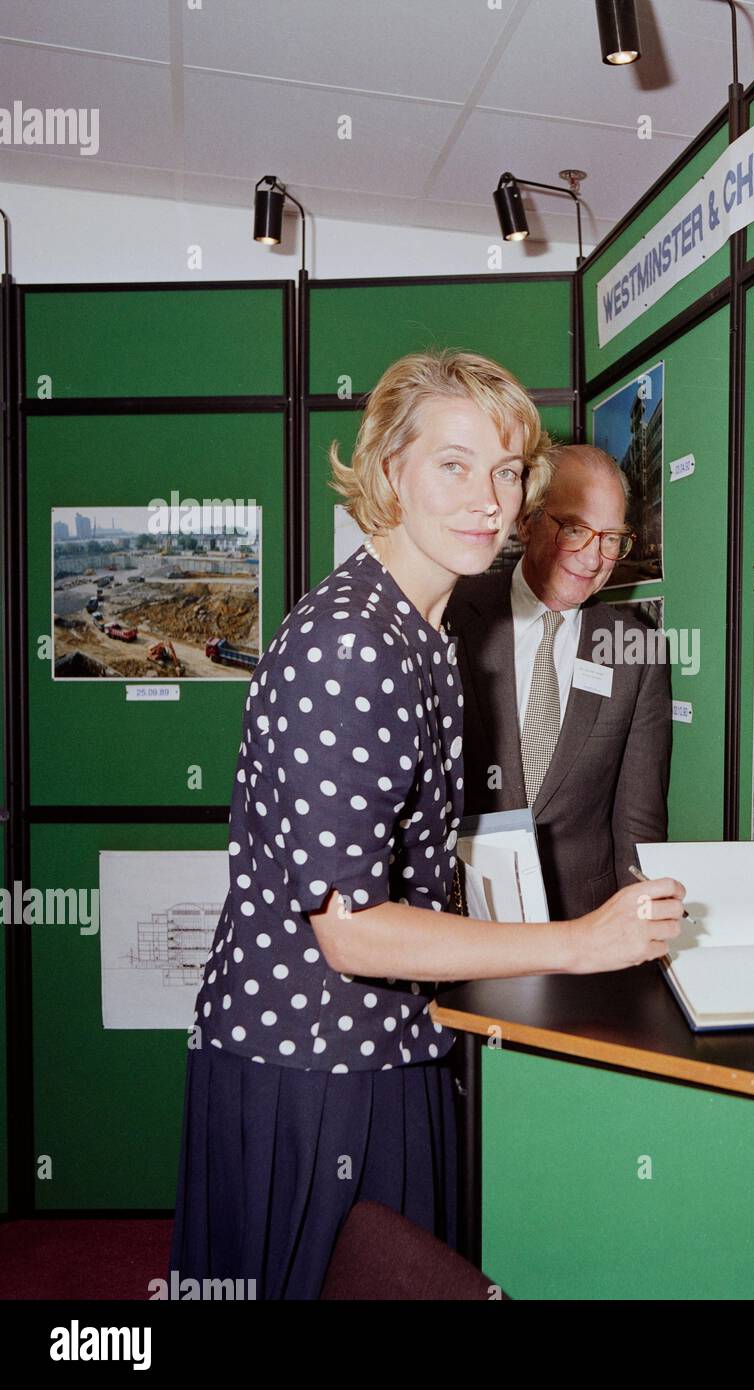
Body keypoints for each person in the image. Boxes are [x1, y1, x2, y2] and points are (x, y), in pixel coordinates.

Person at [169, 351, 685, 1299]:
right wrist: (580, 941)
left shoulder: (417, 626)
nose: (485, 499)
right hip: (319, 1067)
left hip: (380, 1043)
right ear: (387, 471)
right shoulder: (355, 641)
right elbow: (352, 931)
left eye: (502, 471)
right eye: (452, 465)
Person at [444, 444, 671, 919]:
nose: (593, 559)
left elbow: (639, 823)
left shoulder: (638, 650)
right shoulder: (452, 613)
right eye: (574, 529)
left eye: (611, 538)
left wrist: (636, 939)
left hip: (582, 924)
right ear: (527, 521)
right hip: (460, 915)